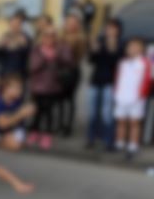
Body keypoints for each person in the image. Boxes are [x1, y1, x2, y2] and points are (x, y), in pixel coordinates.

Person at [28, 28, 72, 150]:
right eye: (46, 36)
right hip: (38, 86)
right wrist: (45, 57)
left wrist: (59, 53)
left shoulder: (59, 50)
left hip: (53, 86)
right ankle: (34, 132)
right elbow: (32, 67)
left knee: (49, 112)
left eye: (52, 37)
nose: (49, 39)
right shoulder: (36, 50)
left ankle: (47, 135)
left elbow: (68, 62)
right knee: (37, 111)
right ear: (42, 38)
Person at [86, 19, 123, 150]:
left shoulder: (120, 45)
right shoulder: (100, 42)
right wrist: (93, 50)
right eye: (108, 28)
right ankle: (91, 138)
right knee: (92, 112)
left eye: (113, 28)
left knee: (107, 112)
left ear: (118, 30)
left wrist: (112, 49)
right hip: (95, 81)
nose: (110, 31)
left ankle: (108, 140)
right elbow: (91, 61)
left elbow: (116, 63)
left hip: (110, 82)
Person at [113, 37, 152, 160]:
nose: (132, 49)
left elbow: (149, 80)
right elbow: (118, 78)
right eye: (130, 46)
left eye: (136, 46)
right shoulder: (123, 62)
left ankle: (133, 146)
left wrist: (142, 94)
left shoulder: (145, 63)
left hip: (137, 98)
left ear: (141, 49)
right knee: (121, 121)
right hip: (122, 97)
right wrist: (117, 93)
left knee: (134, 123)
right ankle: (119, 143)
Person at [0, 74, 36, 151]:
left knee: (19, 142)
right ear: (6, 88)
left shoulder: (17, 102)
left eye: (21, 88)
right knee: (15, 146)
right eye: (17, 88)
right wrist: (21, 114)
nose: (20, 91)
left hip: (10, 130)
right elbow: (2, 124)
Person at [58, 12, 88, 137]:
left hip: (72, 71)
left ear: (77, 25)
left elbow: (79, 56)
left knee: (70, 100)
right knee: (59, 99)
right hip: (59, 70)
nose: (70, 25)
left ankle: (68, 126)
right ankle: (60, 124)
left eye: (73, 23)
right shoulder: (60, 37)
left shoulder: (80, 38)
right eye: (68, 22)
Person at [0, 11, 32, 78]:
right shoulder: (5, 37)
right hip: (5, 72)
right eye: (13, 23)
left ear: (21, 25)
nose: (15, 26)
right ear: (10, 24)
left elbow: (30, 55)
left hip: (20, 73)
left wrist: (24, 46)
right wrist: (1, 47)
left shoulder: (25, 38)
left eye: (18, 24)